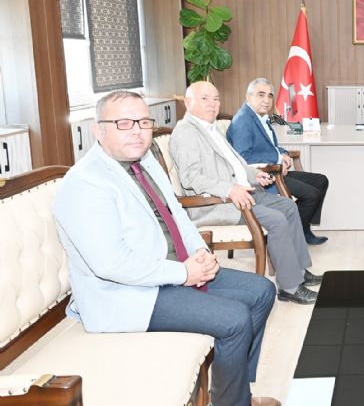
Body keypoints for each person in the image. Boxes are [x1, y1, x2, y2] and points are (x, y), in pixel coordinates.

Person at [52, 91, 280, 406]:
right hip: (126, 294)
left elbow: (177, 215)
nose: (136, 131)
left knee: (262, 291)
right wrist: (183, 273)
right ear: (98, 130)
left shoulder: (144, 161)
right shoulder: (85, 183)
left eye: (144, 122)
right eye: (123, 123)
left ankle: (232, 393)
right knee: (235, 317)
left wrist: (201, 253)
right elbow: (111, 264)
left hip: (169, 270)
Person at [171, 81, 320, 305]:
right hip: (219, 203)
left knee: (289, 206)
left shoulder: (211, 128)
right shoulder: (186, 132)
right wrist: (230, 189)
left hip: (243, 194)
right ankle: (290, 287)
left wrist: (255, 175)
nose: (212, 104)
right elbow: (190, 178)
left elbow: (236, 164)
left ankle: (297, 270)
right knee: (277, 219)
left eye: (216, 99)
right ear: (188, 102)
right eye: (205, 99)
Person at [228, 77, 330, 245]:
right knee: (311, 195)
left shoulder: (260, 117)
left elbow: (271, 147)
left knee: (321, 181)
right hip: (263, 177)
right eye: (261, 95)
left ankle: (303, 229)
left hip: (275, 170)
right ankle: (294, 236)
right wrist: (277, 159)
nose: (266, 100)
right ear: (248, 96)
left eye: (270, 95)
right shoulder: (243, 121)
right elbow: (243, 157)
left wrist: (284, 154)